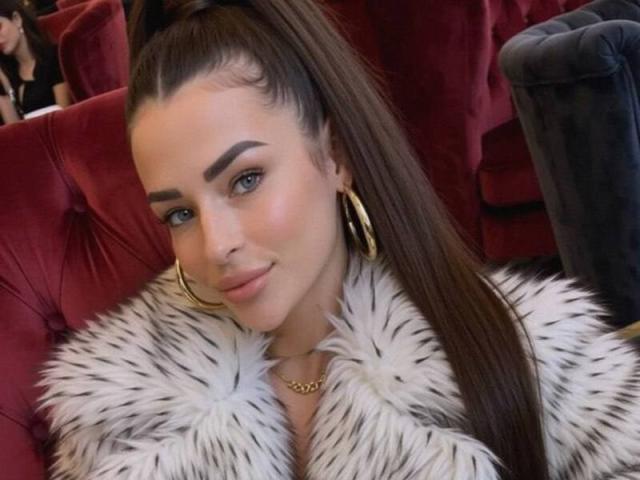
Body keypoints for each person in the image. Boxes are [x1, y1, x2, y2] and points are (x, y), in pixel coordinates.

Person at [38, 0, 640, 479]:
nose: (215, 245)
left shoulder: (533, 355)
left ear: (336, 157)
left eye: (245, 180)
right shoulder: (121, 424)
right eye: (178, 214)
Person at [0, 0, 70, 124]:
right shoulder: (7, 74)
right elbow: (14, 131)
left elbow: (65, 115)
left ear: (16, 19)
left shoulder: (53, 56)